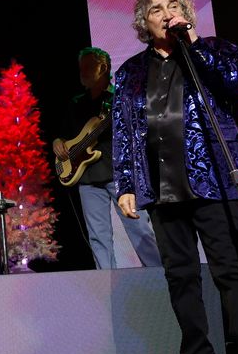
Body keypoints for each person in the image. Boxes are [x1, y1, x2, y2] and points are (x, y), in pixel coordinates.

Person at [111, 0, 238, 354]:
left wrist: (195, 43)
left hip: (213, 179)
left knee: (230, 275)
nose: (166, 13)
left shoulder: (213, 50)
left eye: (173, 5)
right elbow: (124, 133)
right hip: (161, 187)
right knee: (181, 279)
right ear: (144, 23)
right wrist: (126, 183)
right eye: (156, 9)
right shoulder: (129, 72)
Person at [53, 47, 161, 269]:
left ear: (103, 68)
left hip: (120, 174)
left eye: (88, 66)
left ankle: (159, 278)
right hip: (86, 177)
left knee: (139, 230)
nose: (82, 71)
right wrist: (57, 142)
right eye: (81, 67)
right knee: (98, 237)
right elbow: (65, 134)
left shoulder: (119, 98)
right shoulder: (76, 102)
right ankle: (109, 282)